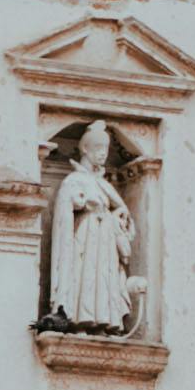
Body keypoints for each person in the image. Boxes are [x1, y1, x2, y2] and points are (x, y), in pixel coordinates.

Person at [42, 127, 141, 334]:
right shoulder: (74, 180)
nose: (103, 153)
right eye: (98, 147)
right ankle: (78, 320)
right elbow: (65, 207)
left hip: (104, 240)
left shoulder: (103, 184)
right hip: (84, 237)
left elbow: (120, 208)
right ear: (85, 149)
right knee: (84, 276)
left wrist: (120, 215)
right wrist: (83, 203)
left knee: (103, 278)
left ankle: (103, 322)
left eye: (105, 148)